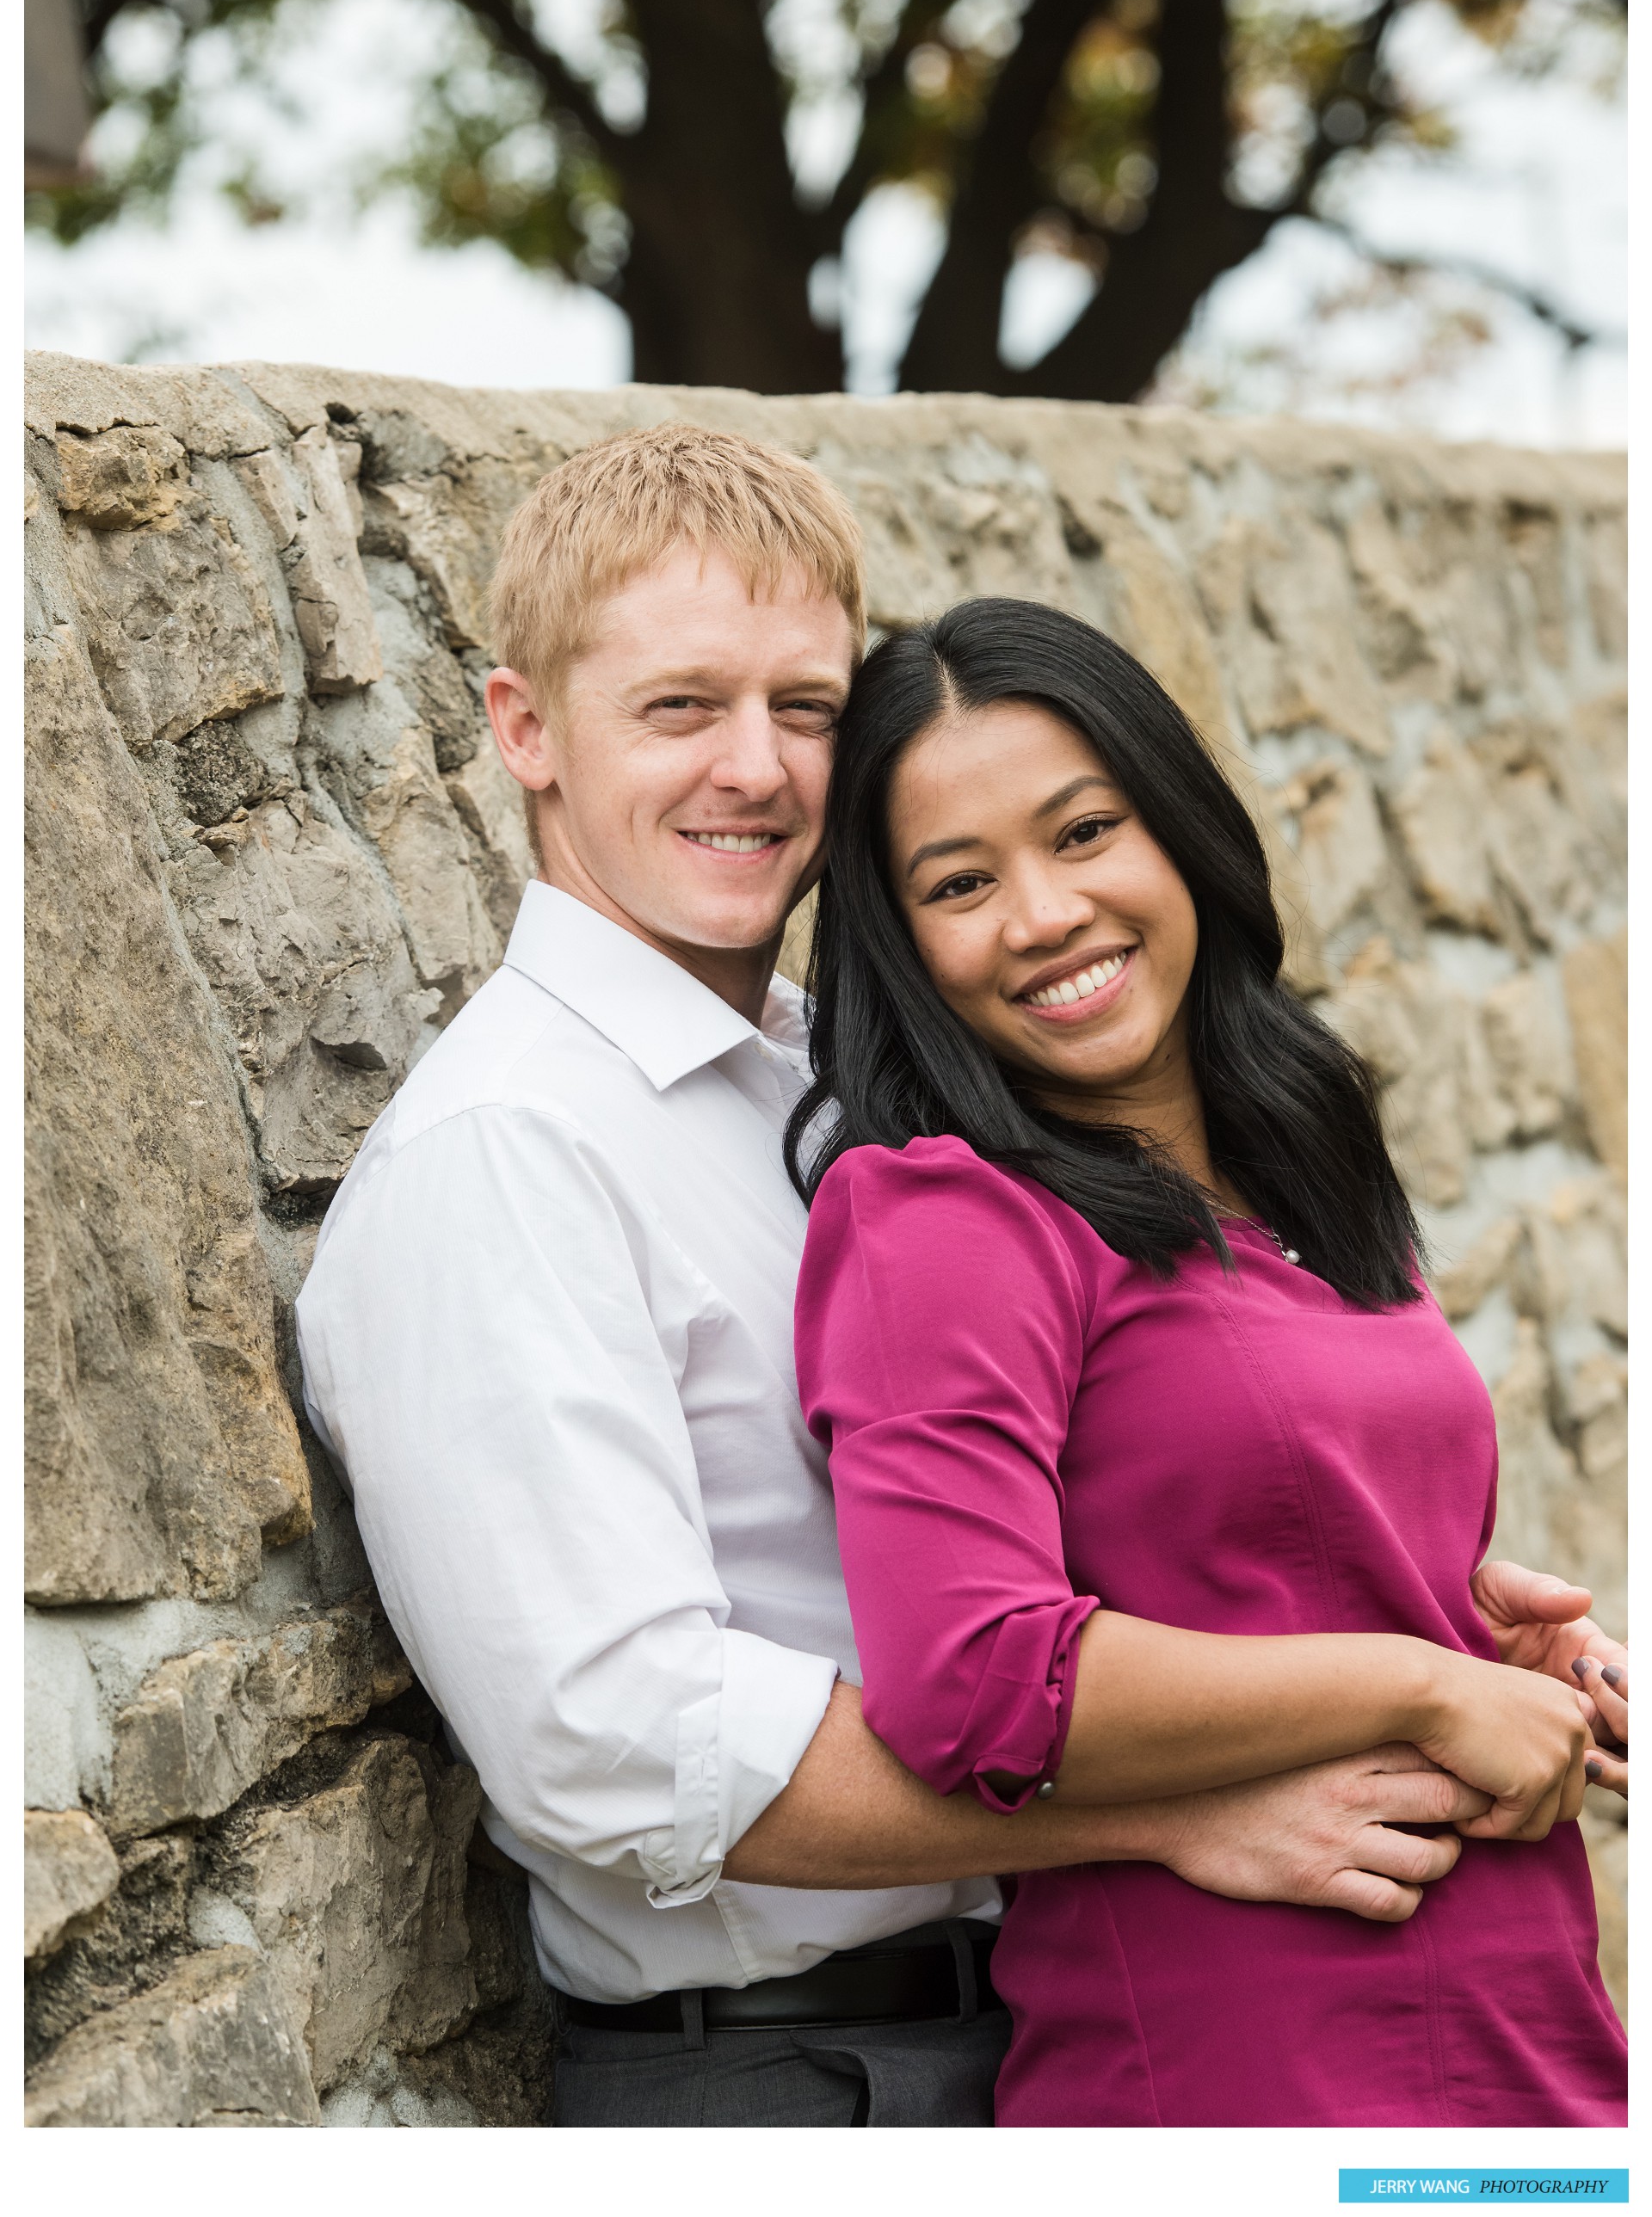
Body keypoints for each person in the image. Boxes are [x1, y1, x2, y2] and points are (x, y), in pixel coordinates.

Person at [297, 428, 1621, 2128]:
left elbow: (1009, 1477)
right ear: (526, 730)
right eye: (680, 708)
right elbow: (618, 1751)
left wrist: (1368, 1564)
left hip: (998, 2017)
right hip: (789, 2078)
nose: (757, 769)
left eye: (803, 707)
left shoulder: (813, 1078)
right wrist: (1164, 1807)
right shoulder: (501, 1151)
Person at [788, 596, 1629, 2128]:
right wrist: (1417, 1686)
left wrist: (1500, 1656)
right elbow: (969, 1675)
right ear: (902, 944)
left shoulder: (1293, 1156)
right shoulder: (945, 1216)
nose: (1042, 914)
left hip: (1518, 2019)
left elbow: (1277, 1552)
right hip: (1245, 2061)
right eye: (962, 882)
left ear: (1180, 831)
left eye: (1085, 831)